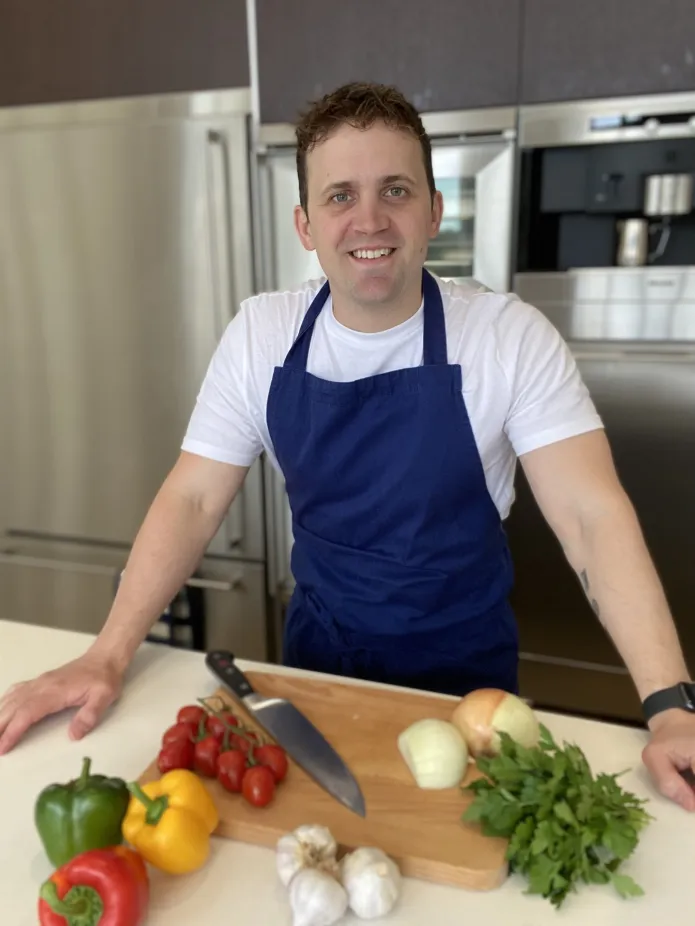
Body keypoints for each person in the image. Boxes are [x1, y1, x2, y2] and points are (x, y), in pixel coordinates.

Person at [0, 81, 693, 810]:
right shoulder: (262, 335)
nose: (369, 219)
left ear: (434, 209)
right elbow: (193, 496)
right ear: (304, 224)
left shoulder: (506, 336)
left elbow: (590, 514)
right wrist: (107, 656)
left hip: (465, 680)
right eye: (339, 196)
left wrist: (669, 704)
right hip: (318, 670)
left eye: (394, 190)